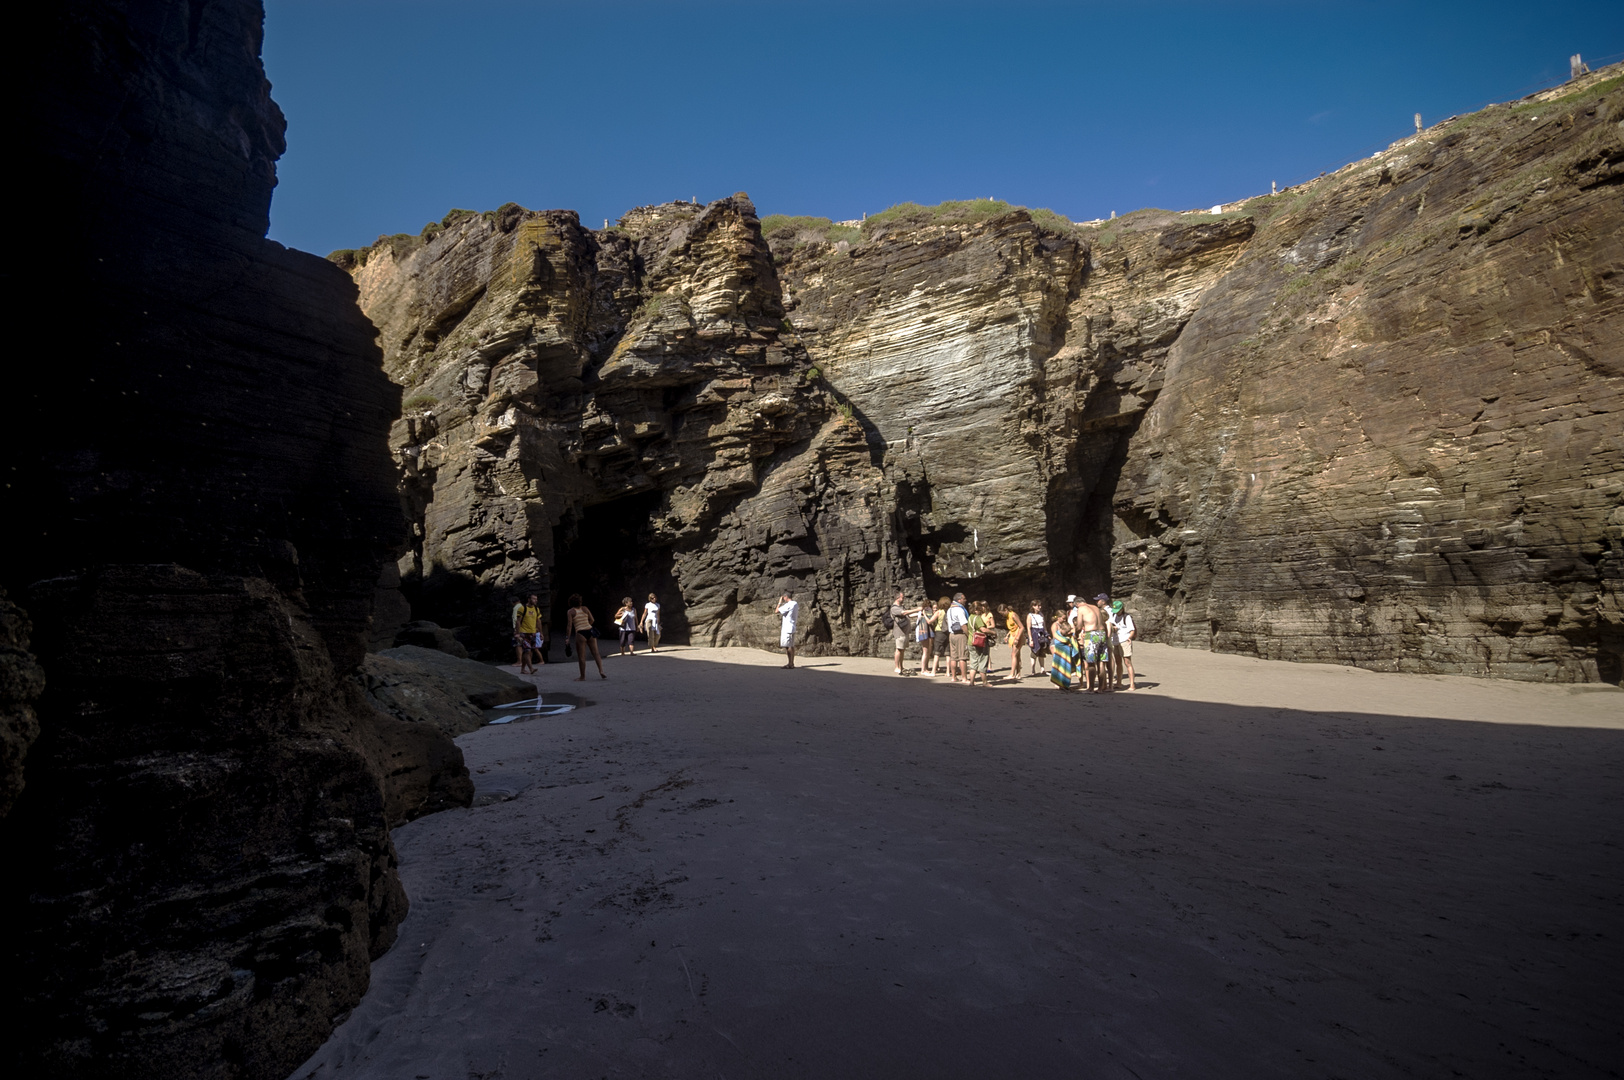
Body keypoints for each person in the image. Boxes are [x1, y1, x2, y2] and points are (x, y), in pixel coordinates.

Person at [564, 593, 606, 680]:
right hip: (590, 630)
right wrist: (587, 626)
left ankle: (582, 676)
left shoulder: (570, 612)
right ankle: (601, 671)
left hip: (580, 633)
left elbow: (569, 626)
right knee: (596, 653)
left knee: (582, 656)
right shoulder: (585, 608)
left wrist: (567, 638)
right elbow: (592, 619)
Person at [1077, 595, 1109, 692]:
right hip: (1102, 633)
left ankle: (1090, 687)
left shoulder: (1081, 608)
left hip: (1091, 634)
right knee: (1101, 662)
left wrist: (1075, 634)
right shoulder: (1095, 607)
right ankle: (1100, 688)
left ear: (1077, 604)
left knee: (1091, 663)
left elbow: (1078, 626)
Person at [889, 590, 922, 675]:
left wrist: (919, 614)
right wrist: (917, 609)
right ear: (897, 598)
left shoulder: (901, 606)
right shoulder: (894, 608)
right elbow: (905, 613)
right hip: (899, 632)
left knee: (902, 650)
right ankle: (897, 667)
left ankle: (901, 666)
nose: (903, 598)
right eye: (902, 597)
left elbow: (908, 615)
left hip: (905, 631)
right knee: (898, 649)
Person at [1109, 600, 1137, 690]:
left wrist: (1130, 637)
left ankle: (1132, 684)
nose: (1117, 612)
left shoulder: (1127, 617)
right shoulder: (1113, 616)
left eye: (1118, 610)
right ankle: (1119, 682)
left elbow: (1132, 630)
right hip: (1115, 641)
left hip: (1124, 640)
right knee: (1118, 662)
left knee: (1127, 662)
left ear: (1122, 609)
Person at [1048, 609, 1080, 690]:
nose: (1064, 620)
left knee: (1065, 664)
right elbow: (1055, 636)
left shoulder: (1065, 624)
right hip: (1056, 644)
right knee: (1057, 663)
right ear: (1058, 617)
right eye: (1063, 618)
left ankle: (1064, 681)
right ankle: (1057, 681)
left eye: (1065, 618)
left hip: (1065, 646)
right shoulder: (1055, 625)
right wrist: (1066, 640)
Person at [512, 592, 544, 674]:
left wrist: (540, 633)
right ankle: (531, 669)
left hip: (532, 633)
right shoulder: (522, 608)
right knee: (527, 651)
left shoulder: (536, 609)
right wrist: (518, 633)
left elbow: (538, 621)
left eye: (536, 599)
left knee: (530, 651)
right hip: (524, 633)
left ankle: (523, 669)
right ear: (529, 599)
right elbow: (518, 621)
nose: (535, 600)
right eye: (533, 599)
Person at [967, 601, 994, 687]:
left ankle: (971, 681)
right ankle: (984, 682)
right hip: (979, 641)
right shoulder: (977, 618)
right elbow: (983, 629)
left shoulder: (970, 617)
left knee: (973, 662)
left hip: (971, 641)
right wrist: (993, 632)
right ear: (977, 609)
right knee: (983, 660)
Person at [945, 592, 970, 684]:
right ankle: (964, 678)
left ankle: (954, 677)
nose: (965, 600)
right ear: (959, 600)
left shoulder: (949, 609)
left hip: (951, 634)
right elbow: (963, 624)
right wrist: (968, 635)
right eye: (964, 599)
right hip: (960, 634)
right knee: (962, 657)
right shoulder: (959, 610)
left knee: (953, 657)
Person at [928, 597, 951, 676]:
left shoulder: (939, 612)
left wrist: (924, 614)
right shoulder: (949, 611)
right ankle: (948, 672)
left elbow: (930, 621)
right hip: (948, 632)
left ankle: (933, 671)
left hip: (939, 631)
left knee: (937, 652)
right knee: (948, 653)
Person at [1026, 599, 1050, 676]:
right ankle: (1033, 669)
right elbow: (1028, 628)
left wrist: (1047, 634)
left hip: (1041, 633)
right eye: (1037, 606)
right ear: (1033, 606)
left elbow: (1044, 625)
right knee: (1034, 652)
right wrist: (1030, 639)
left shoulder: (1041, 614)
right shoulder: (1030, 616)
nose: (1039, 607)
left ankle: (1042, 669)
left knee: (1042, 651)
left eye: (1040, 605)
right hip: (1034, 633)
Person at [776, 591, 799, 667]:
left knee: (788, 645)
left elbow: (776, 611)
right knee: (791, 645)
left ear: (786, 597)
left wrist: (779, 602)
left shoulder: (788, 605)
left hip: (787, 627)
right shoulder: (795, 604)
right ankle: (791, 663)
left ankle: (790, 663)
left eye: (783, 597)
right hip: (792, 626)